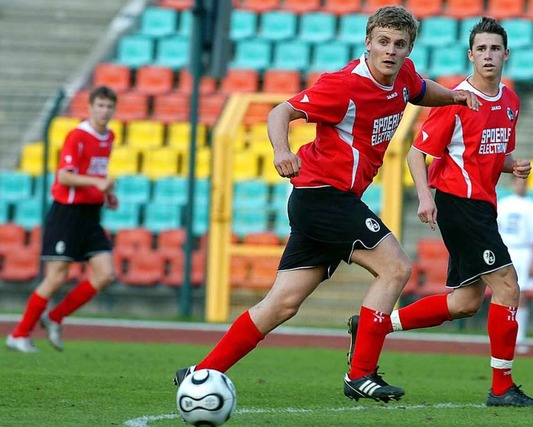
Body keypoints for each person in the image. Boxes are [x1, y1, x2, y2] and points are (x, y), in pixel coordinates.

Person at [173, 6, 479, 403]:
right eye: (382, 42)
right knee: (396, 268)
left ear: (408, 49)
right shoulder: (342, 86)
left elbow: (420, 89)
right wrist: (282, 151)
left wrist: (455, 96)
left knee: (282, 304)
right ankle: (361, 374)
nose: (390, 50)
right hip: (323, 196)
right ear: (367, 43)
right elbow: (280, 111)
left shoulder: (403, 75)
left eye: (399, 44)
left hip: (328, 200)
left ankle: (201, 372)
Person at [347, 17, 533, 407]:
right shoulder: (455, 100)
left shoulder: (510, 101)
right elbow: (417, 154)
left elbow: (485, 154)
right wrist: (425, 197)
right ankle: (502, 388)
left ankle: (375, 326)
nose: (488, 56)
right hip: (458, 204)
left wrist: (511, 165)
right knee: (507, 285)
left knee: (466, 303)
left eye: (495, 49)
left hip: (483, 208)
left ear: (506, 55)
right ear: (471, 55)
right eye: (481, 49)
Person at [6, 85, 119, 353]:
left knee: (105, 274)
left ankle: (55, 317)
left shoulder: (109, 137)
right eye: (100, 105)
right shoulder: (77, 136)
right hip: (67, 212)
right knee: (56, 277)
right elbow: (65, 176)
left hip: (90, 214)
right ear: (90, 107)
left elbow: (95, 175)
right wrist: (96, 182)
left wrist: (106, 195)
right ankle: (19, 334)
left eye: (109, 106)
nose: (104, 111)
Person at [497, 176, 533, 354]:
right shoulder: (503, 204)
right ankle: (501, 335)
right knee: (503, 294)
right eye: (517, 182)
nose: (520, 185)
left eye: (523, 182)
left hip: (523, 252)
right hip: (506, 250)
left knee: (522, 294)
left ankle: (520, 337)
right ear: (512, 184)